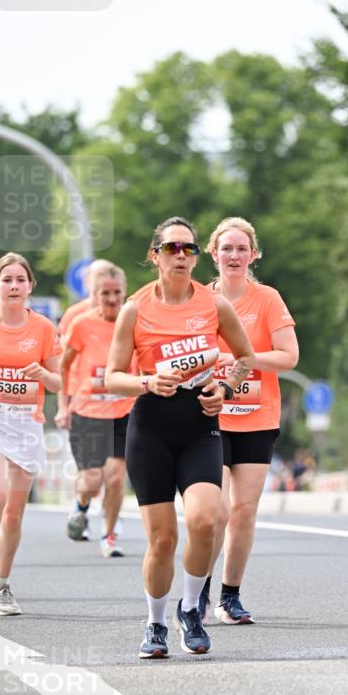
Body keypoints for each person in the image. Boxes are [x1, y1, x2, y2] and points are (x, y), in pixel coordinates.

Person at [105, 216, 254, 659]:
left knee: (207, 520)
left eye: (189, 249)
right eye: (173, 249)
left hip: (199, 423)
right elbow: (113, 377)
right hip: (150, 426)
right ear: (156, 256)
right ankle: (154, 623)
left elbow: (244, 358)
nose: (183, 257)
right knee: (163, 540)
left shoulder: (213, 305)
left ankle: (191, 608)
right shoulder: (135, 308)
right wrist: (148, 382)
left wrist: (224, 390)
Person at [200, 217, 298, 625]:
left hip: (258, 417)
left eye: (242, 249)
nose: (235, 255)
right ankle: (196, 594)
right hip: (210, 417)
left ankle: (230, 596)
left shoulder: (268, 299)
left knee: (242, 512)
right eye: (227, 248)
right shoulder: (198, 301)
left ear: (253, 255)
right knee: (215, 511)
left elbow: (289, 357)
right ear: (214, 253)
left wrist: (242, 359)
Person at [0, 253, 62, 615]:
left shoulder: (44, 329)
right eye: (7, 280)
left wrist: (42, 376)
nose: (14, 285)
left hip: (27, 424)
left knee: (15, 514)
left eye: (21, 279)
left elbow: (58, 380)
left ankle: (2, 585)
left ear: (30, 286)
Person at [55, 264, 134, 557]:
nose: (112, 299)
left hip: (123, 411)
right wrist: (64, 405)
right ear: (95, 294)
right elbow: (62, 365)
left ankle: (109, 536)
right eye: (105, 293)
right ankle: (82, 503)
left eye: (117, 293)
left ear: (124, 292)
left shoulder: (134, 321)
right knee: (92, 480)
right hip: (87, 411)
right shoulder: (81, 324)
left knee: (114, 478)